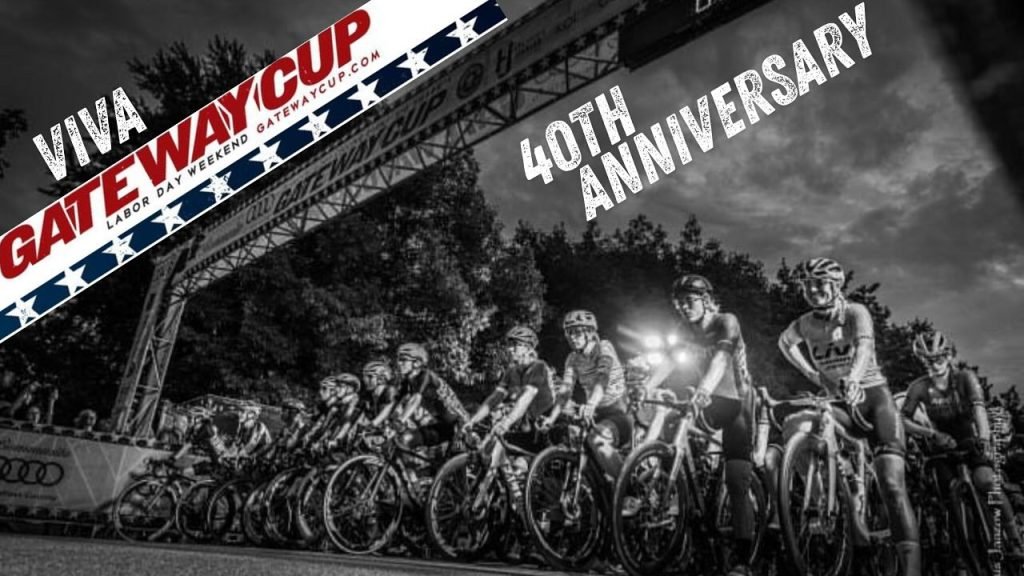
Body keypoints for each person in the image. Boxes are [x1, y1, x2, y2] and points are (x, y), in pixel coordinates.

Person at [778, 257, 919, 576]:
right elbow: (784, 344)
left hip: (873, 400)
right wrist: (811, 372)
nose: (813, 290)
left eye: (820, 283)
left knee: (891, 485)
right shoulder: (804, 324)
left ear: (836, 284)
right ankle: (821, 501)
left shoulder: (855, 312)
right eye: (807, 285)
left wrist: (854, 378)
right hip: (839, 404)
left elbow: (865, 346)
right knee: (795, 425)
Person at [654, 275, 758, 576]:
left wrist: (704, 389)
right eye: (679, 302)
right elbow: (669, 362)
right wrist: (645, 387)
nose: (684, 307)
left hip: (736, 403)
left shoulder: (727, 321)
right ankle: (686, 540)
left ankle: (743, 558)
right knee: (676, 431)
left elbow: (721, 362)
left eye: (690, 301)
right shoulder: (682, 329)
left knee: (737, 482)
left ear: (707, 299)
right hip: (708, 400)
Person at [901, 330, 1024, 557]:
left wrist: (984, 439)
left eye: (939, 358)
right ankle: (962, 549)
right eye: (928, 360)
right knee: (947, 494)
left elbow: (978, 408)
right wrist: (929, 433)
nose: (934, 364)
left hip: (969, 435)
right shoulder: (918, 387)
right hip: (940, 442)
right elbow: (903, 419)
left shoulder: (965, 378)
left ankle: (1015, 538)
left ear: (948, 356)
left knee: (986, 481)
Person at [463, 326, 556, 471]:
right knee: (490, 449)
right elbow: (494, 399)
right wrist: (473, 420)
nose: (511, 349)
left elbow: (526, 398)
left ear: (528, 348)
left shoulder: (539, 367)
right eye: (510, 345)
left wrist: (506, 422)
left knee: (520, 465)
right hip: (527, 428)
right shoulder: (511, 371)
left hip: (546, 430)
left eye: (516, 345)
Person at [561, 310, 631, 481]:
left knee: (596, 440)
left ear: (590, 333)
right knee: (573, 439)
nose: (572, 337)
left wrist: (591, 403)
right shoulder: (572, 358)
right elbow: (566, 389)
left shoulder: (604, 347)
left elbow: (603, 379)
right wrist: (554, 413)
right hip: (597, 414)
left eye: (577, 332)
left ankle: (629, 490)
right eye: (569, 332)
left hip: (618, 411)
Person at [393, 342, 470, 450]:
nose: (398, 363)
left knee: (453, 458)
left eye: (403, 360)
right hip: (442, 425)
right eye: (398, 359)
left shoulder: (426, 375)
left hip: (459, 424)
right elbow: (394, 403)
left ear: (417, 363)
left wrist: (400, 420)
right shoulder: (408, 381)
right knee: (407, 439)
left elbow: (416, 399)